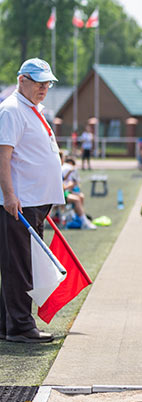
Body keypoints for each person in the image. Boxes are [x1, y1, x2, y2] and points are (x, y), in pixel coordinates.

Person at [0, 58, 62, 343]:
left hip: (33, 202)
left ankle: (7, 324)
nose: (44, 88)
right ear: (21, 79)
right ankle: (22, 327)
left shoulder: (31, 109)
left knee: (21, 263)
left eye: (47, 83)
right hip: (20, 203)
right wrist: (10, 196)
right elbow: (4, 156)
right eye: (38, 82)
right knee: (20, 266)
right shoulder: (12, 110)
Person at [61, 156, 96, 229]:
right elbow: (62, 187)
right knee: (76, 199)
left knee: (81, 196)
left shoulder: (62, 169)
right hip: (59, 195)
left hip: (64, 193)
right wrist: (70, 186)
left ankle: (79, 218)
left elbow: (65, 182)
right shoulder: (60, 170)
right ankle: (84, 222)